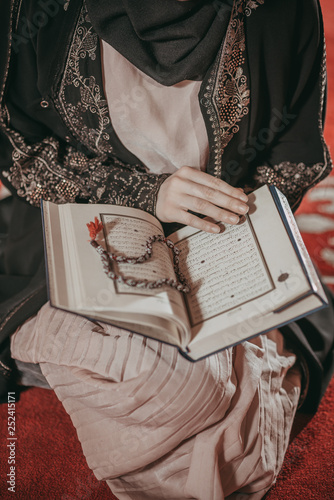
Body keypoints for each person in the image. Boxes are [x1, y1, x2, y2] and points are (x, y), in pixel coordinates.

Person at [0, 0, 333, 498]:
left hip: (220, 235)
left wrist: (225, 222)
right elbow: (20, 150)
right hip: (82, 221)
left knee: (222, 399)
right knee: (194, 395)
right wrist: (145, 195)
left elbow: (293, 158)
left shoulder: (281, 11)